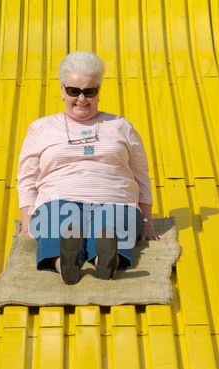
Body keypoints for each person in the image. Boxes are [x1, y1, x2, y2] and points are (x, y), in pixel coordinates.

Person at [17, 51, 163, 285]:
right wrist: (27, 222)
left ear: (98, 92)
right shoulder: (41, 128)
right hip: (58, 199)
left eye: (89, 91)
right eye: (73, 91)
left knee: (109, 228)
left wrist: (147, 223)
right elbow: (26, 177)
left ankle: (104, 262)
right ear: (62, 91)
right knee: (59, 223)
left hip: (116, 200)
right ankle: (65, 265)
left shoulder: (121, 126)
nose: (81, 99)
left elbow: (141, 175)